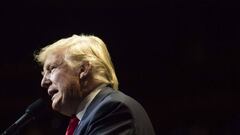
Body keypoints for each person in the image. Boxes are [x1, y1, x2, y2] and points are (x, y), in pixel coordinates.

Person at [34, 34, 155, 135]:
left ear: (83, 69)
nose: (43, 82)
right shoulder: (88, 117)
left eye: (51, 69)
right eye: (43, 74)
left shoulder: (112, 109)